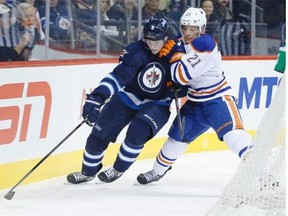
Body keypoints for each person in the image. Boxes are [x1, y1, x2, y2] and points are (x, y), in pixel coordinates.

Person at [136, 7, 252, 185]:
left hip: (217, 100)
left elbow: (180, 75)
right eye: (185, 27)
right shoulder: (180, 40)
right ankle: (157, 171)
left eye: (193, 29)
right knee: (175, 140)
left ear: (202, 29)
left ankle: (260, 172)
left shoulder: (205, 44)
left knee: (235, 136)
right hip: (195, 102)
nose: (188, 33)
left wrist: (174, 55)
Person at [67, 16, 178, 184]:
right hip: (128, 96)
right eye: (149, 40)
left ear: (165, 37)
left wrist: (181, 84)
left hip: (158, 102)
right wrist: (98, 96)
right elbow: (118, 77)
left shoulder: (176, 53)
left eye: (157, 41)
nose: (153, 45)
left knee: (137, 132)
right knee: (98, 135)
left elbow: (189, 75)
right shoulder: (136, 51)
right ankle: (88, 171)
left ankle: (118, 169)